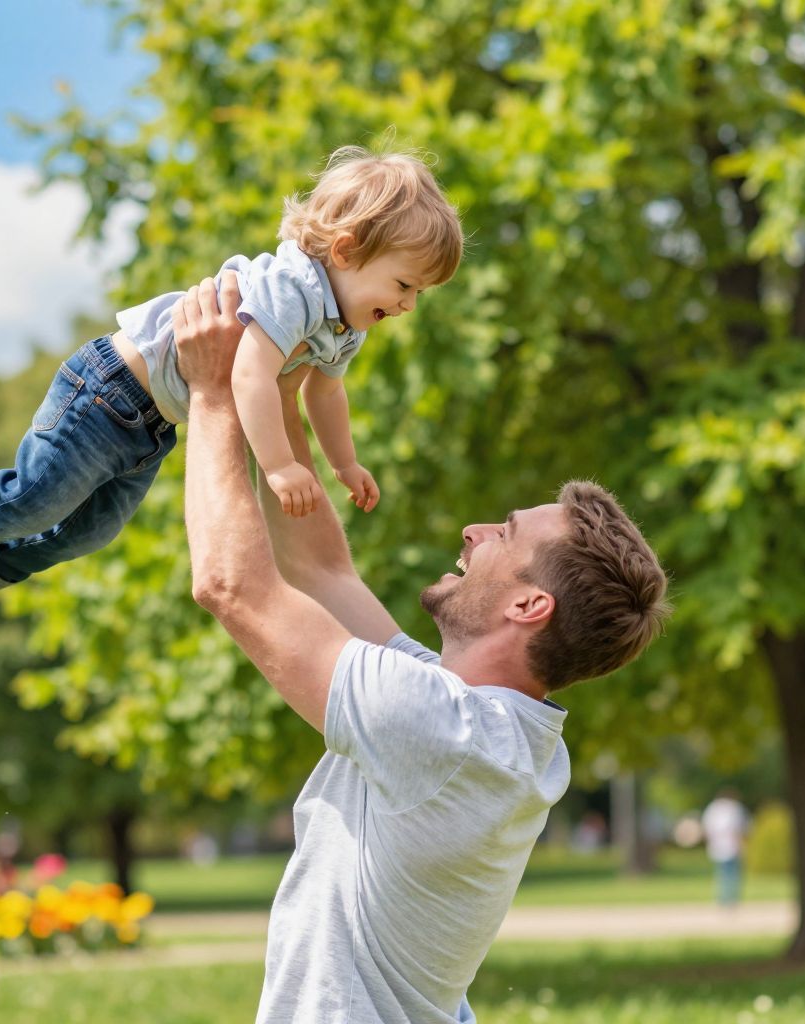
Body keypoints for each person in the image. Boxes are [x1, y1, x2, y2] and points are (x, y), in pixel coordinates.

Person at [170, 273, 671, 1023]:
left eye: (502, 535)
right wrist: (272, 386)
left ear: (530, 605)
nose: (474, 531)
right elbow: (320, 569)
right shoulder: (483, 724)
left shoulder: (443, 732)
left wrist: (212, 397)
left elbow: (230, 586)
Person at [0, 146, 464, 660]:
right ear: (347, 250)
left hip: (154, 424)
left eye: (420, 294)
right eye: (404, 284)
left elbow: (325, 391)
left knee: (92, 530)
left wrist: (343, 463)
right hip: (108, 390)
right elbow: (249, 377)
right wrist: (278, 467)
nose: (408, 305)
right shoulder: (294, 288)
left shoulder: (343, 325)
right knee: (36, 496)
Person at [701, 789, 750, 908]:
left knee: (724, 874)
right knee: (730, 874)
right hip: (728, 846)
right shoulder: (733, 808)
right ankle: (730, 899)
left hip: (721, 846)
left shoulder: (714, 809)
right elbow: (740, 828)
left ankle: (726, 899)